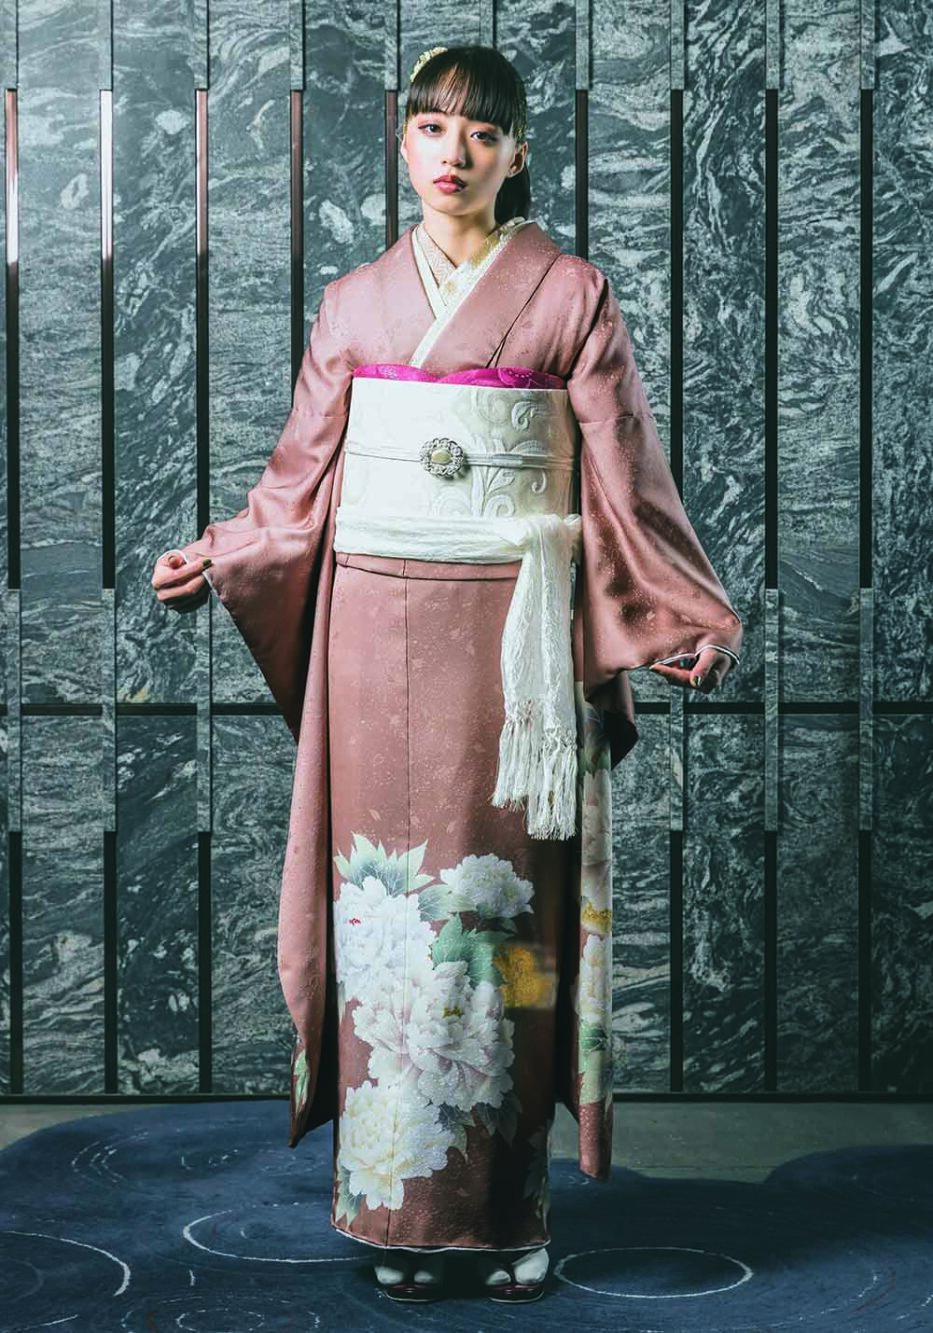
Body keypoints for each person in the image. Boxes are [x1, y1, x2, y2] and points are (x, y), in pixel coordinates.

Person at [152, 43, 743, 1305]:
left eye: (481, 132)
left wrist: (680, 611)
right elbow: (299, 481)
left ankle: (501, 1206)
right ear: (403, 141)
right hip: (372, 629)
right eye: (431, 126)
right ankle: (396, 1206)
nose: (453, 152)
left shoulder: (570, 294)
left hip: (514, 645)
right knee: (390, 913)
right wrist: (228, 550)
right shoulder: (355, 304)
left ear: (516, 154)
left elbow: (626, 473)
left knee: (501, 913)